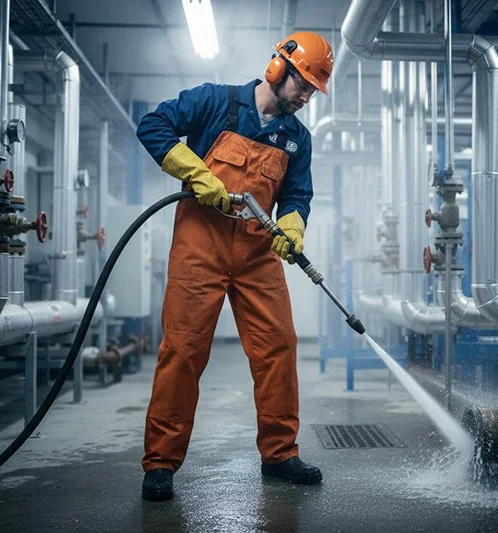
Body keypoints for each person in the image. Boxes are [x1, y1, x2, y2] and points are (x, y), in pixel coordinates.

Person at [135, 31, 333, 501]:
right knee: (182, 351)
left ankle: (280, 453)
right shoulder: (213, 103)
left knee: (278, 348)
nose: (306, 97)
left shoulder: (296, 139)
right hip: (198, 250)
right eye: (303, 85)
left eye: (312, 91)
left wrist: (293, 228)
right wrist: (196, 172)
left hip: (258, 255)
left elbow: (297, 196)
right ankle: (160, 463)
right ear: (277, 69)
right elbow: (153, 125)